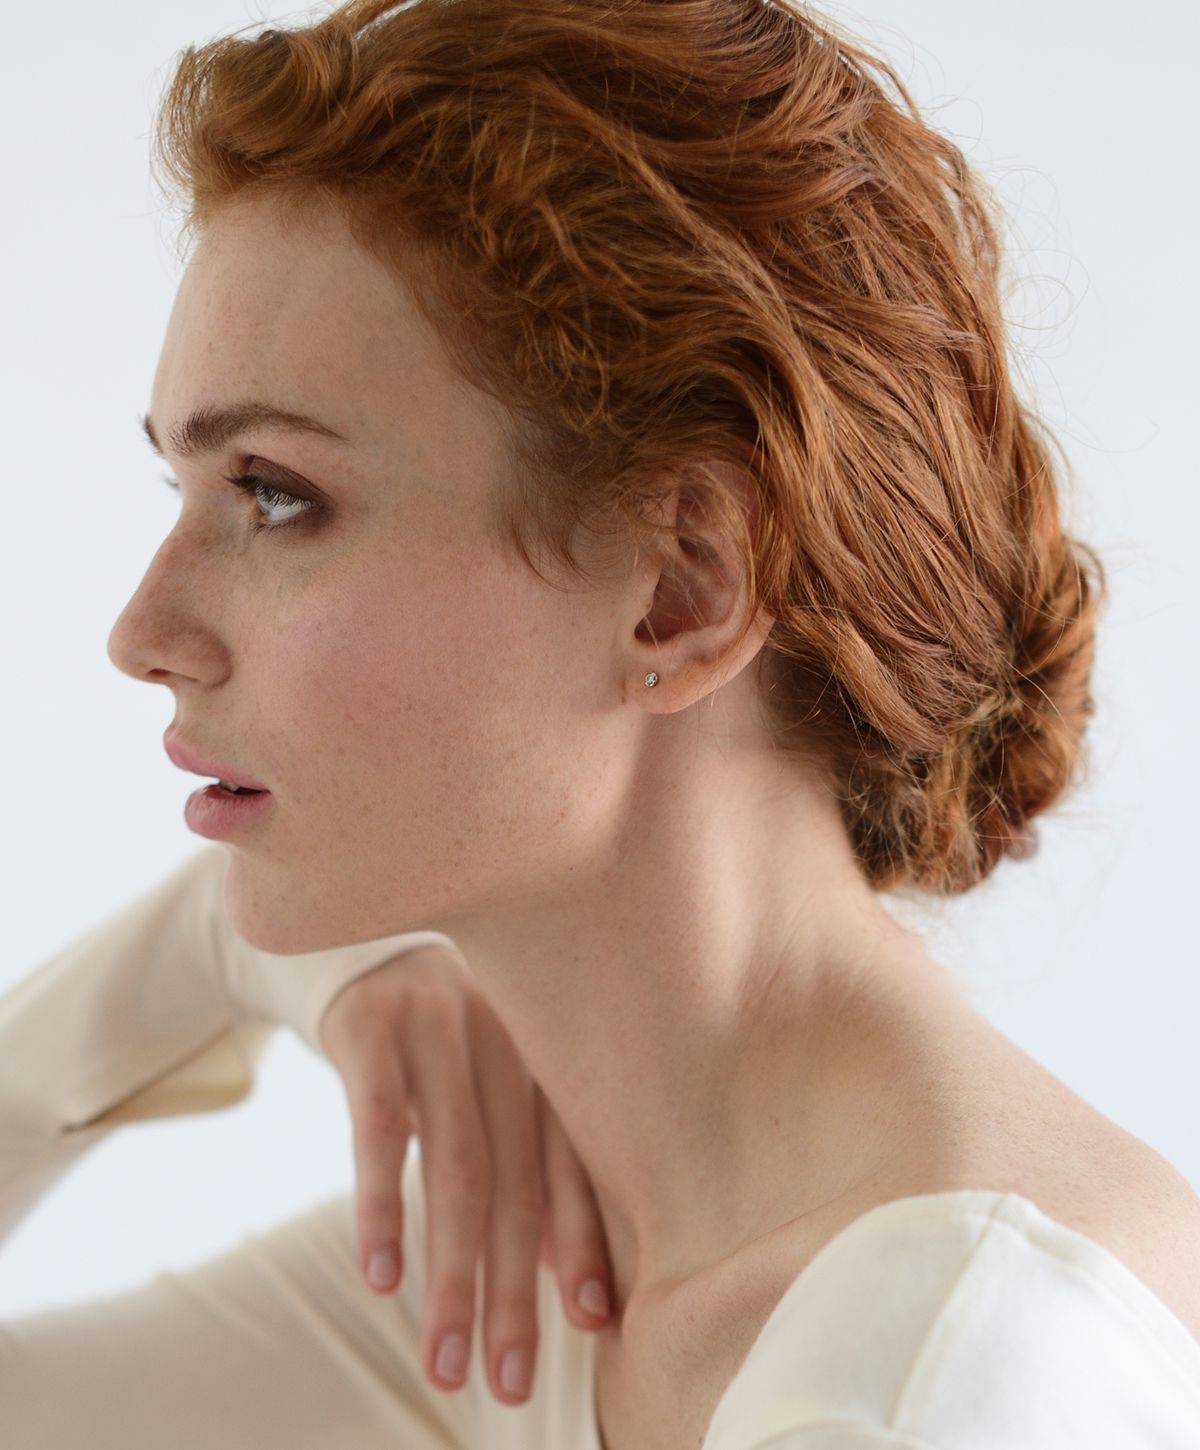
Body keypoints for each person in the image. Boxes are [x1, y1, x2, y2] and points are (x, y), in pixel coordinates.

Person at [3, 0, 1199, 1445]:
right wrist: (215, 958)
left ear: (683, 588)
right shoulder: (532, 1311)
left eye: (272, 493)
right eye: (181, 492)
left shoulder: (962, 1383)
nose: (143, 633)